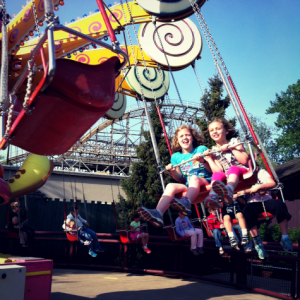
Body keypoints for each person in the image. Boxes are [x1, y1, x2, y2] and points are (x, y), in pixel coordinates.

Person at [139, 125, 212, 227]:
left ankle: (186, 202)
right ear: (177, 140)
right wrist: (173, 171)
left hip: (205, 180)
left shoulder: (201, 149)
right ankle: (158, 213)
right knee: (170, 186)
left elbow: (212, 168)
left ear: (193, 137)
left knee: (194, 178)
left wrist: (203, 161)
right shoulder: (176, 157)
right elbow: (180, 178)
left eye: (187, 135)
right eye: (181, 136)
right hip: (189, 185)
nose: (185, 137)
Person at [203, 118, 250, 246]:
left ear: (227, 131)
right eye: (212, 130)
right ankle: (213, 196)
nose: (215, 132)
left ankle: (228, 189)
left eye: (218, 128)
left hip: (240, 172)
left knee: (232, 169)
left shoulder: (235, 141)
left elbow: (244, 160)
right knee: (217, 174)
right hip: (226, 175)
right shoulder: (213, 149)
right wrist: (209, 159)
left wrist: (231, 147)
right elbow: (218, 170)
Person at [241, 168, 293, 259]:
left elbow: (272, 183)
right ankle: (258, 243)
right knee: (247, 211)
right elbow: (240, 191)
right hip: (252, 203)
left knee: (279, 204)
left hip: (266, 200)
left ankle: (285, 238)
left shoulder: (261, 172)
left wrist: (260, 187)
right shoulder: (241, 176)